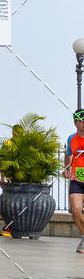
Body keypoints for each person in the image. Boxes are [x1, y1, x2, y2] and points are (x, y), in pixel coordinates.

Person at [62, 109, 84, 254]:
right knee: (75, 210)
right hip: (77, 179)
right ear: (76, 123)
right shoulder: (71, 139)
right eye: (81, 121)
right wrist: (66, 168)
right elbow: (68, 154)